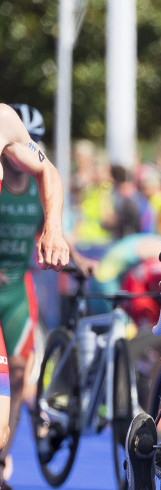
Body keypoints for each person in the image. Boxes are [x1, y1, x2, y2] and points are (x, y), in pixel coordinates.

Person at [0, 103, 70, 460]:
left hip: (12, 285)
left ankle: (3, 458)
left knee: (17, 375)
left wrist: (54, 231)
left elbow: (48, 171)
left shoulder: (3, 121)